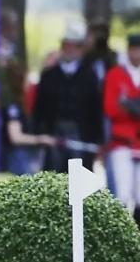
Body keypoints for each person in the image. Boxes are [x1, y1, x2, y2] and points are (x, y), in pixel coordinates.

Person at [35, 18, 104, 173]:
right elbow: (39, 108)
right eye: (67, 45)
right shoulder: (49, 75)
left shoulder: (89, 76)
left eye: (76, 46)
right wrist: (41, 133)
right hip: (54, 135)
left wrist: (98, 139)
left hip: (81, 136)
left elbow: (96, 109)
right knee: (53, 175)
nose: (70, 49)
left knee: (79, 178)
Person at [103, 33, 140, 216]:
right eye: (135, 50)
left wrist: (127, 103)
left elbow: (122, 105)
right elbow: (110, 108)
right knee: (123, 195)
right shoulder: (116, 75)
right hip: (122, 142)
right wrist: (130, 107)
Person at [0, 58, 54, 175]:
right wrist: (40, 139)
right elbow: (16, 137)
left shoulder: (14, 104)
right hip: (18, 158)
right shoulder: (13, 107)